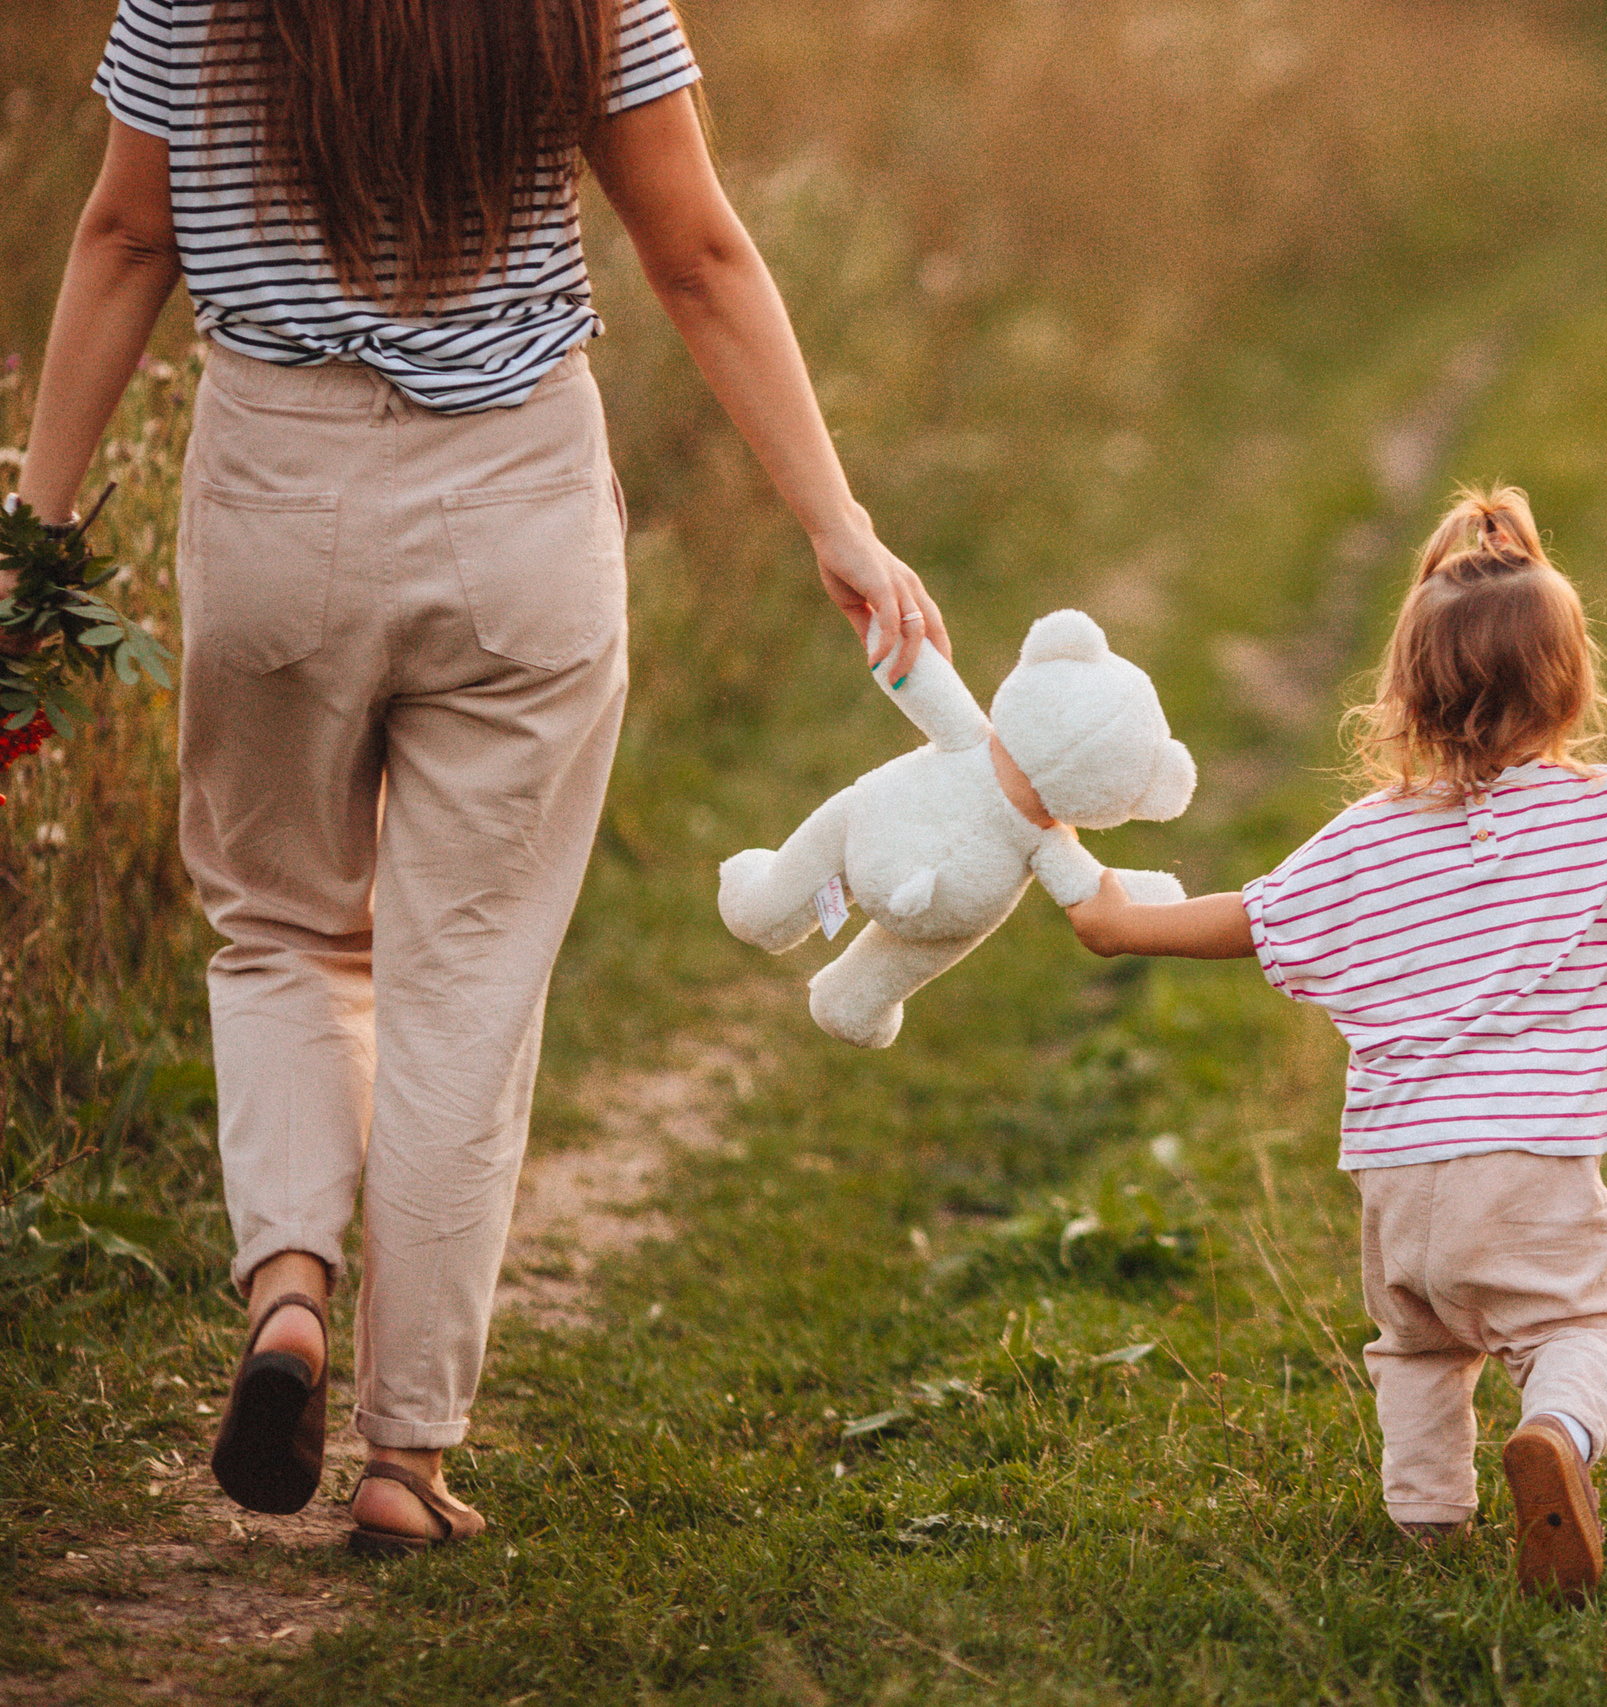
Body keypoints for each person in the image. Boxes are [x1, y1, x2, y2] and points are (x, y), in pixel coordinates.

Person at [10, 0, 945, 1553]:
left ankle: (288, 1288)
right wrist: (836, 521)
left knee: (285, 928)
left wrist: (35, 547)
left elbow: (120, 238)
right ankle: (404, 1453)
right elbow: (697, 251)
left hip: (269, 497)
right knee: (466, 981)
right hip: (513, 507)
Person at [1067, 486, 1607, 1602]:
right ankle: (1557, 1436)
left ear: (1406, 691)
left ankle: (1427, 1523)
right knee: (1585, 1333)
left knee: (1419, 1349)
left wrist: (1110, 915)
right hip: (1525, 1166)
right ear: (1570, 685)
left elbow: (1243, 918)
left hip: (1395, 1177)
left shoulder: (1363, 839)